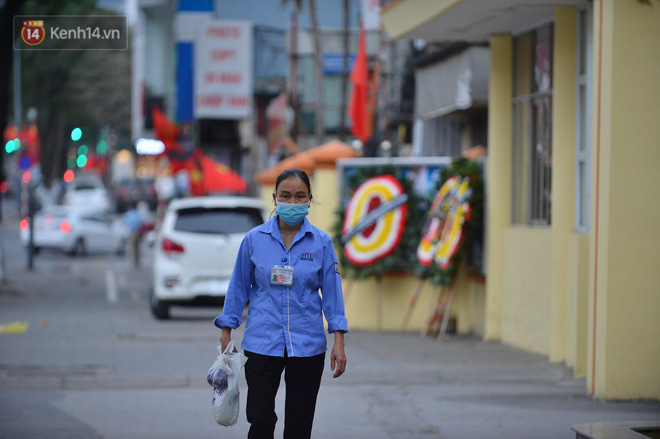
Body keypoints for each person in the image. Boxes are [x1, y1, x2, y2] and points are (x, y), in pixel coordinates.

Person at [214, 168, 348, 439]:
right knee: (260, 417)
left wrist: (339, 341)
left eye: (300, 196)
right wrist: (226, 329)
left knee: (299, 425)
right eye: (286, 196)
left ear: (309, 200)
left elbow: (332, 294)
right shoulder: (254, 240)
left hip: (308, 345)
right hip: (262, 343)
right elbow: (238, 286)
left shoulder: (321, 242)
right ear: (275, 198)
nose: (293, 202)